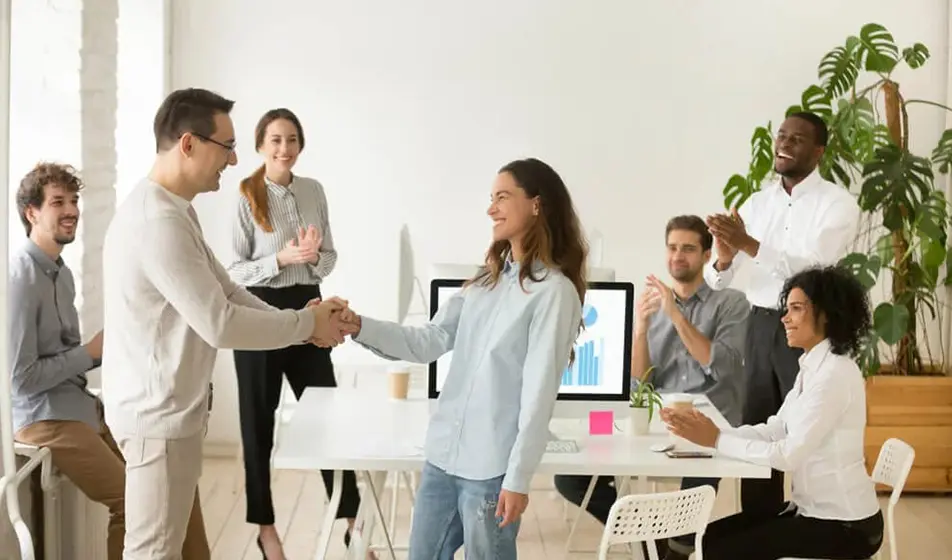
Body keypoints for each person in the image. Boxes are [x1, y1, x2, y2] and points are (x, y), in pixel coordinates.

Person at [101, 88, 354, 559]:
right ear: (189, 144)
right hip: (156, 417)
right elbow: (219, 322)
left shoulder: (176, 212)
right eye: (227, 146)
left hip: (173, 413)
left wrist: (307, 319)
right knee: (152, 551)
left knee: (175, 547)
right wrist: (306, 324)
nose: (234, 159)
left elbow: (229, 291)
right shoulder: (157, 222)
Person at [337, 158, 586, 559]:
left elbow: (539, 397)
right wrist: (358, 326)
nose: (491, 209)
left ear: (537, 204)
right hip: (443, 459)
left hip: (491, 473)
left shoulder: (553, 294)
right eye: (491, 199)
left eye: (502, 197)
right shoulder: (485, 281)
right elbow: (428, 341)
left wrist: (518, 480)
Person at [8, 162, 209, 560]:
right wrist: (91, 353)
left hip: (81, 407)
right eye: (57, 202)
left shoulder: (60, 274)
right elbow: (20, 379)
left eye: (74, 200)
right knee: (133, 503)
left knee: (178, 482)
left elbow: (68, 357)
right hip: (45, 419)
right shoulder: (20, 278)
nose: (71, 210)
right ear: (31, 212)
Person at [553, 214, 748, 558]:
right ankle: (648, 539)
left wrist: (675, 315)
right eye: (672, 248)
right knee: (568, 478)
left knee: (698, 470)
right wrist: (641, 328)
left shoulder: (730, 303)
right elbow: (638, 385)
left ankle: (676, 549)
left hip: (708, 421)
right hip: (656, 420)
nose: (678, 256)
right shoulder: (651, 305)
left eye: (688, 248)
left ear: (706, 255)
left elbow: (724, 365)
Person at [661, 265, 884, 560]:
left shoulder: (833, 375)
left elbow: (787, 455)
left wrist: (716, 440)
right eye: (786, 308)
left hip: (846, 526)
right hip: (809, 513)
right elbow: (775, 428)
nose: (785, 318)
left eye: (796, 309)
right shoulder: (812, 367)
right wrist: (713, 434)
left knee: (717, 552)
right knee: (704, 540)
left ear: (826, 314)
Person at [227, 108, 368, 560]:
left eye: (290, 140)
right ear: (260, 145)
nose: (283, 148)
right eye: (274, 140)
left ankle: (351, 526)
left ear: (300, 145)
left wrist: (309, 258)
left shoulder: (313, 191)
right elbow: (233, 269)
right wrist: (282, 259)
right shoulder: (245, 195)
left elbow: (328, 259)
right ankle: (266, 529)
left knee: (326, 419)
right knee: (258, 426)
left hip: (309, 306)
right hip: (256, 312)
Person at [704, 111, 861, 516]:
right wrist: (724, 257)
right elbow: (724, 279)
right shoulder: (757, 203)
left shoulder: (838, 204)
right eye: (782, 136)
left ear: (819, 151)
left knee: (807, 434)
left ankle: (820, 521)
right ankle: (759, 529)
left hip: (809, 325)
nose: (784, 145)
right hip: (758, 325)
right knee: (759, 421)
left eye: (797, 139)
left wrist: (750, 244)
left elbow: (813, 270)